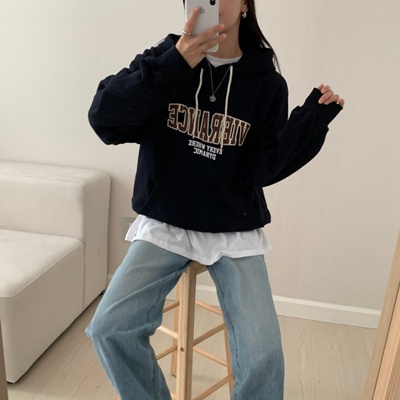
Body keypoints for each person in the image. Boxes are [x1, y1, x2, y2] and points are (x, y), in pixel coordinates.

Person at [85, 0, 345, 399]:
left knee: (264, 357)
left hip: (232, 225)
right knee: (109, 329)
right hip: (166, 219)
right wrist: (174, 65)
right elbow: (104, 117)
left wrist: (309, 122)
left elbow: (260, 170)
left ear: (245, 5)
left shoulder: (266, 83)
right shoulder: (166, 59)